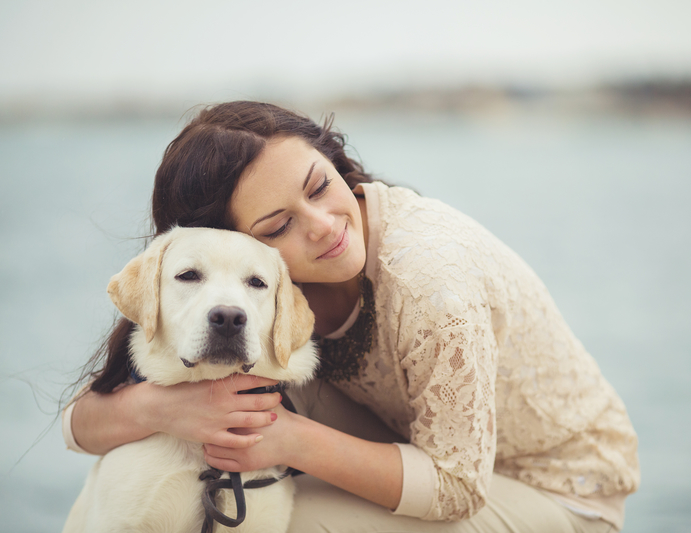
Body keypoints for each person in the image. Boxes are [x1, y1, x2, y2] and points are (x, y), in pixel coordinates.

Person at [63, 101, 640, 532]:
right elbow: (80, 424)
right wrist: (160, 408)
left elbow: (459, 485)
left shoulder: (431, 283)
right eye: (276, 226)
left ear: (336, 160)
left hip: (550, 493)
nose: (322, 224)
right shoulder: (247, 286)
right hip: (394, 436)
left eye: (320, 186)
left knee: (289, 518)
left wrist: (289, 441)